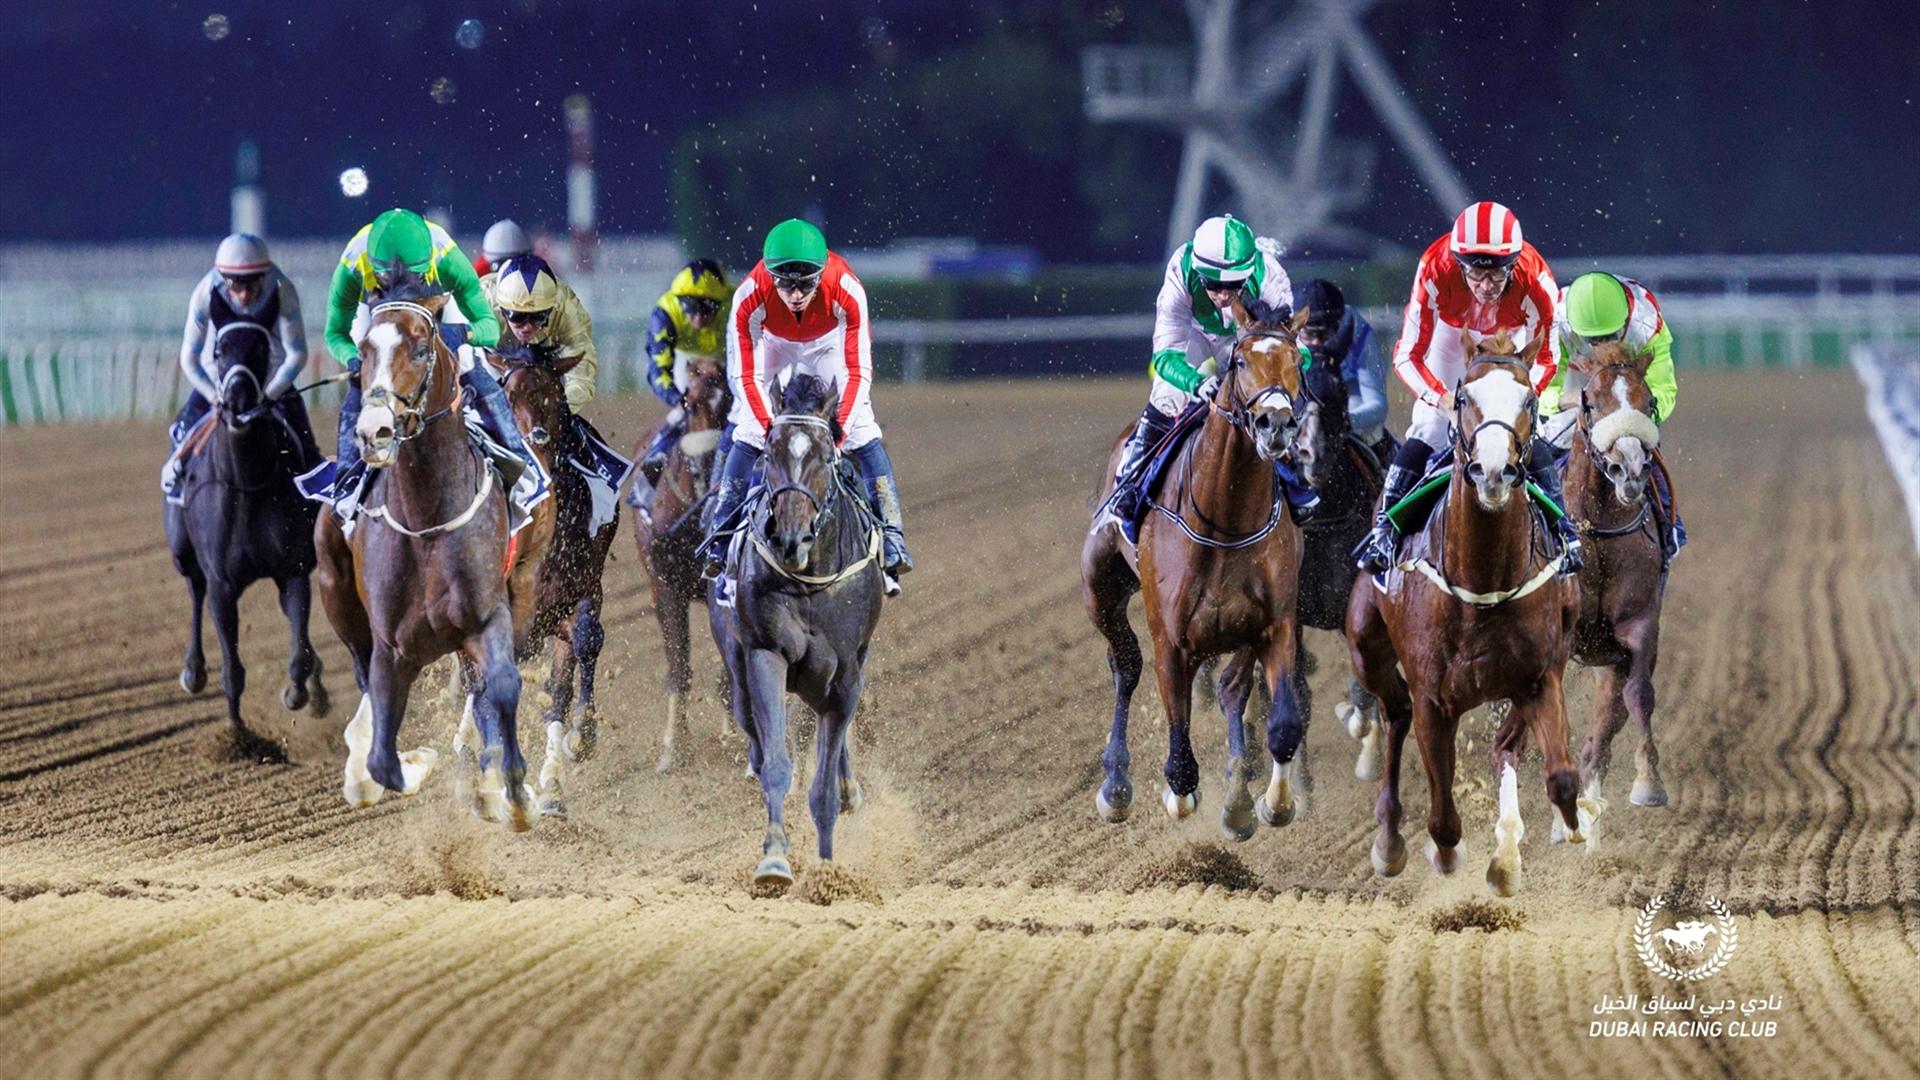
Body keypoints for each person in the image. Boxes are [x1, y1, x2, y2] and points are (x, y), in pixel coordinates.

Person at [1354, 201, 1581, 574]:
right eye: (1476, 274)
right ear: (1458, 264)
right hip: (1452, 339)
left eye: (1497, 274)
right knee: (1429, 429)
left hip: (1510, 342)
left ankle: (1564, 533)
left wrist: (1522, 398)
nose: (1486, 286)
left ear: (1514, 265)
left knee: (1527, 435)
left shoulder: (1537, 279)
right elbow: (1406, 355)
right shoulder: (1434, 268)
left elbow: (1548, 356)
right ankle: (1385, 531)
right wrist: (1443, 400)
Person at [698, 219, 912, 593]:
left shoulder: (846, 288)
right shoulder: (749, 294)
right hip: (772, 343)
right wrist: (768, 428)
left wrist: (839, 431)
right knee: (747, 429)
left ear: (821, 274)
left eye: (806, 283)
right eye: (785, 283)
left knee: (864, 430)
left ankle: (893, 535)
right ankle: (721, 534)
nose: (796, 294)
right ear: (769, 275)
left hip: (828, 344)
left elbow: (859, 371)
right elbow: (745, 376)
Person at [308, 208, 539, 512]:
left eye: (415, 274)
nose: (404, 279)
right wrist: (354, 360)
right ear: (374, 267)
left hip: (435, 303)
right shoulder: (353, 264)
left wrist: (463, 334)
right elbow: (335, 333)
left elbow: (490, 327)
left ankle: (519, 465)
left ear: (428, 262)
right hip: (378, 311)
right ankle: (347, 484)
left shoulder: (447, 258)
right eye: (388, 275)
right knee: (362, 382)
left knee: (469, 364)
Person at [1105, 213, 1312, 544]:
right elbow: (1165, 356)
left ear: (1249, 273)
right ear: (1199, 273)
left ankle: (1295, 474)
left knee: (1273, 397)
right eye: (1214, 285)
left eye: (1234, 285)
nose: (1224, 295)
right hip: (1195, 334)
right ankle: (1130, 479)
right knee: (1167, 395)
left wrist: (1279, 378)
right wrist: (1196, 383)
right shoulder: (1180, 270)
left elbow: (1294, 348)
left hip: (1247, 339)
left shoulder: (1270, 276)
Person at [162, 233, 321, 499]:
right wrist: (214, 397)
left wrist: (269, 394)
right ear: (224, 279)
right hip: (217, 381)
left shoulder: (282, 289)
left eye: (252, 284)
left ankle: (315, 489)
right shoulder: (205, 292)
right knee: (184, 430)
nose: (245, 294)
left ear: (264, 277)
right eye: (237, 285)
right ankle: (178, 490)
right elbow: (189, 358)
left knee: (305, 444)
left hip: (269, 381)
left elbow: (297, 354)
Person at [483, 253, 632, 529]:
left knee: (562, 430)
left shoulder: (567, 307)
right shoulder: (481, 302)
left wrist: (550, 411)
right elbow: (459, 359)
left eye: (538, 317)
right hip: (492, 360)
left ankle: (598, 500)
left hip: (547, 365)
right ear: (502, 309)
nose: (528, 327)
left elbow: (582, 372)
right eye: (518, 317)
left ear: (551, 310)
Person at [1543, 270, 1685, 557]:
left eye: (1609, 336)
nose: (1602, 345)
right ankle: (1543, 528)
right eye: (1593, 339)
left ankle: (1669, 524)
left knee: (1640, 445)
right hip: (1577, 378)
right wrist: (1577, 400)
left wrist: (1634, 411)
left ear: (1625, 320)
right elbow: (1542, 391)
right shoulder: (1554, 322)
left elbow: (1664, 390)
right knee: (1551, 439)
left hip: (1627, 384)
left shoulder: (1647, 323)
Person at [635, 258, 732, 489]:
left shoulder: (735, 302)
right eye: (691, 308)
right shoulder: (665, 313)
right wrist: (678, 399)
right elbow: (658, 371)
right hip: (685, 360)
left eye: (707, 310)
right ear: (680, 302)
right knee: (683, 413)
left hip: (728, 359)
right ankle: (653, 464)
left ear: (720, 303)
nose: (698, 318)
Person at [1295, 278, 1389, 451]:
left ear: (1340, 326)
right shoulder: (1284, 335)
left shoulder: (1358, 331)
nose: (1317, 343)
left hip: (1346, 393)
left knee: (1363, 417)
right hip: (1302, 392)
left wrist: (1340, 421)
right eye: (1309, 334)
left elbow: (1377, 406)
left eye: (1326, 334)